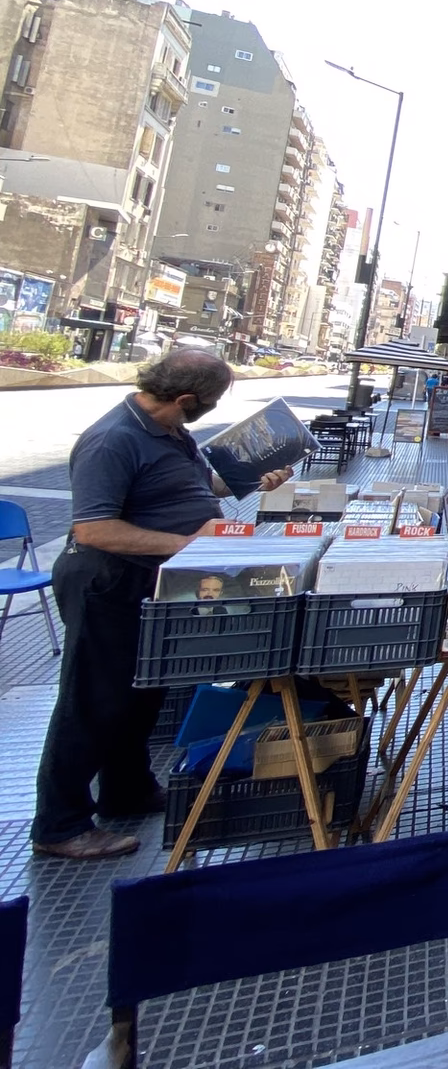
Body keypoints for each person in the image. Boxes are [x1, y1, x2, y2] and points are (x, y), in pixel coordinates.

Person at [32, 350, 293, 860]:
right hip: (107, 580)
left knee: (141, 690)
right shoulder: (113, 440)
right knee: (92, 700)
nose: (212, 409)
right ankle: (59, 825)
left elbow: (192, 490)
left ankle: (125, 789)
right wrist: (191, 543)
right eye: (211, 402)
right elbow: (93, 528)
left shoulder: (173, 432)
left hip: (155, 582)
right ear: (185, 399)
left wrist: (248, 481)